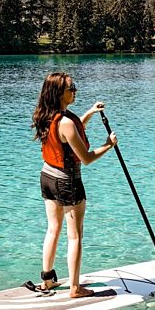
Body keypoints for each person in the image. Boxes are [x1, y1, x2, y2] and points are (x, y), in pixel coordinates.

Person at [29, 72, 117, 298]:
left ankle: (47, 280)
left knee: (52, 229)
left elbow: (71, 133)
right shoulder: (66, 122)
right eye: (71, 87)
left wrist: (89, 112)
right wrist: (108, 145)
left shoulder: (47, 115)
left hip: (47, 177)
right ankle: (75, 289)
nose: (75, 90)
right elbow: (86, 158)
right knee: (75, 236)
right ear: (59, 93)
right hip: (67, 181)